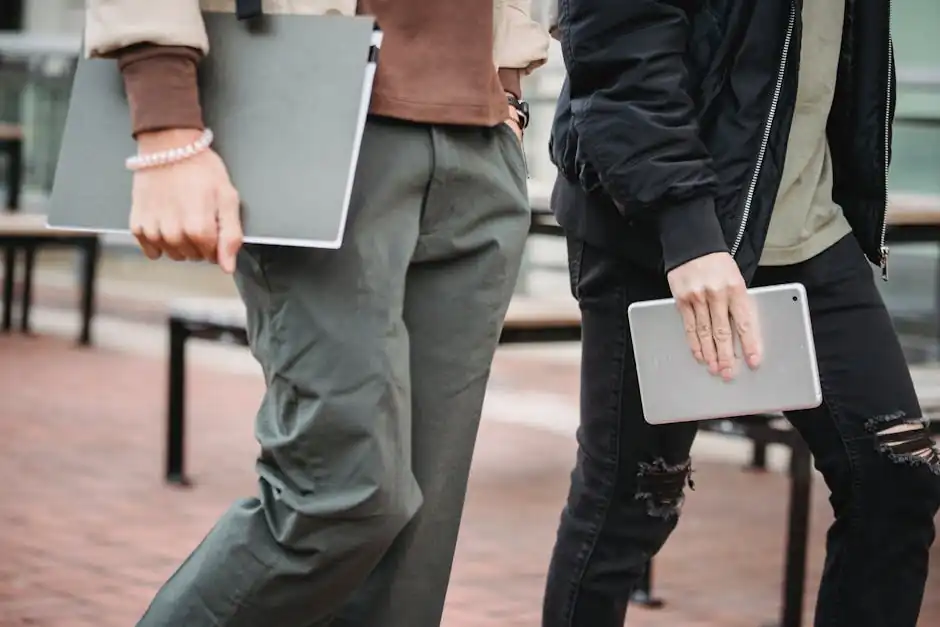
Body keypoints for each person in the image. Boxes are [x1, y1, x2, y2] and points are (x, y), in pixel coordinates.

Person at [83, 1, 548, 625]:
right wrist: (165, 118)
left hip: (480, 134)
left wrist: (509, 91)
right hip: (315, 103)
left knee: (413, 555)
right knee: (342, 497)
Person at [543, 1, 940, 626]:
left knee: (896, 480)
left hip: (810, 226)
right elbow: (618, 47)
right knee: (634, 499)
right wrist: (688, 229)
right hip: (659, 227)